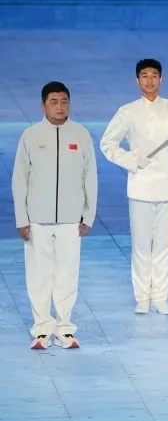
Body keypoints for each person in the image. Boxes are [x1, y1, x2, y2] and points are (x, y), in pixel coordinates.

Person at [100, 59, 168, 316]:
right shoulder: (128, 112)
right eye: (144, 76)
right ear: (137, 81)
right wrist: (132, 160)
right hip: (141, 186)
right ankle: (142, 297)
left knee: (164, 245)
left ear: (161, 79)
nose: (149, 80)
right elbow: (107, 144)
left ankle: (160, 297)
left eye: (154, 75)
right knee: (141, 245)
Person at [12, 82, 97, 350]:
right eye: (54, 102)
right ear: (43, 106)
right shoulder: (30, 136)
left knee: (67, 274)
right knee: (39, 275)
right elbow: (20, 179)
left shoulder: (81, 134)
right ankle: (41, 329)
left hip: (71, 219)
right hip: (37, 218)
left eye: (64, 101)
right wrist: (22, 218)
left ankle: (64, 329)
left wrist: (88, 215)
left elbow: (90, 177)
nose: (60, 107)